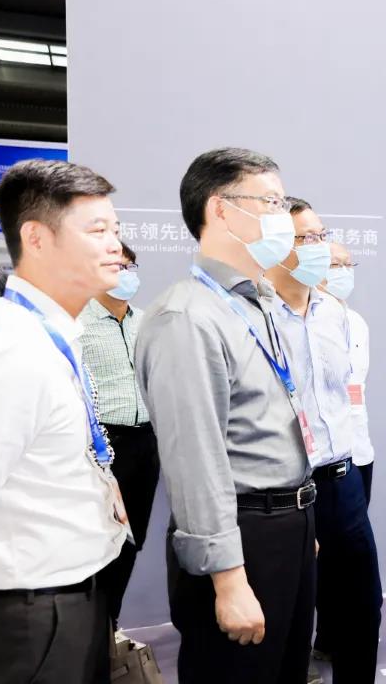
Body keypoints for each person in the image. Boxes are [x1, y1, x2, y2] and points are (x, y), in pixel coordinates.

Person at [135, 148, 316, 684]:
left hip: (287, 524)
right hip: (242, 534)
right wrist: (229, 579)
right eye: (271, 202)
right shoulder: (186, 316)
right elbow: (196, 461)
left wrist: (301, 519)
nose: (283, 217)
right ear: (219, 209)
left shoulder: (255, 301)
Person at [0, 159, 128, 684]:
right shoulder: (11, 349)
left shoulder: (52, 333)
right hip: (28, 614)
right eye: (97, 230)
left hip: (71, 597)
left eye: (116, 229)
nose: (115, 245)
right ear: (35, 238)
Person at [264, 199, 382, 682]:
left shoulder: (335, 313)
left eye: (320, 235)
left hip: (342, 479)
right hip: (285, 486)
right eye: (304, 238)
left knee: (362, 609)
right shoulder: (254, 314)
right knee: (286, 621)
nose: (317, 247)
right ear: (274, 245)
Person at [78, 241, 159, 631]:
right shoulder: (79, 322)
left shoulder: (147, 321)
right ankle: (90, 629)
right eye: (116, 266)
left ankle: (109, 624)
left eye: (130, 267)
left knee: (133, 538)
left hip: (146, 440)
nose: (125, 274)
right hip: (104, 446)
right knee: (101, 540)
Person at [319, 242, 374, 505]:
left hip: (360, 449)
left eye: (347, 264)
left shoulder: (357, 322)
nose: (343, 271)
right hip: (324, 459)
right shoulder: (302, 321)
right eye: (334, 264)